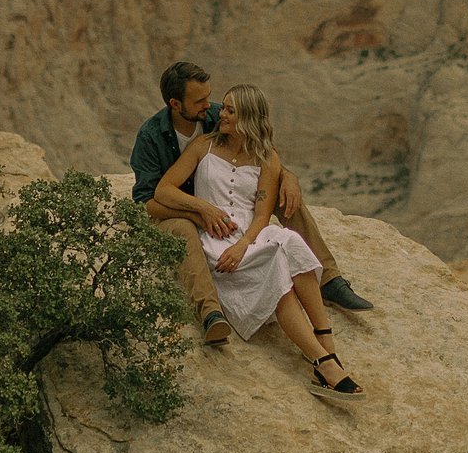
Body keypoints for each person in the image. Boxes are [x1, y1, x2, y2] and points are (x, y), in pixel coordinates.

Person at [129, 59, 373, 344]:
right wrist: (199, 212)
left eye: (209, 97)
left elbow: (260, 149)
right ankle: (211, 313)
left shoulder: (217, 115)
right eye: (200, 100)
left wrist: (288, 177)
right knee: (182, 228)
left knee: (284, 197)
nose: (211, 105)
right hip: (176, 206)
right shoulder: (150, 137)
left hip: (219, 203)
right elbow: (148, 202)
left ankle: (329, 279)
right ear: (175, 103)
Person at [153, 83, 362, 403]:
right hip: (216, 243)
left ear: (248, 118)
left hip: (249, 237)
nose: (219, 114)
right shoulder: (202, 147)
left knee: (289, 240)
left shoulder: (267, 157)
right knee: (273, 265)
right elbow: (164, 191)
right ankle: (323, 361)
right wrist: (204, 208)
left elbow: (263, 215)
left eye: (229, 110)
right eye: (223, 107)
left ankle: (326, 348)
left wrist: (243, 245)